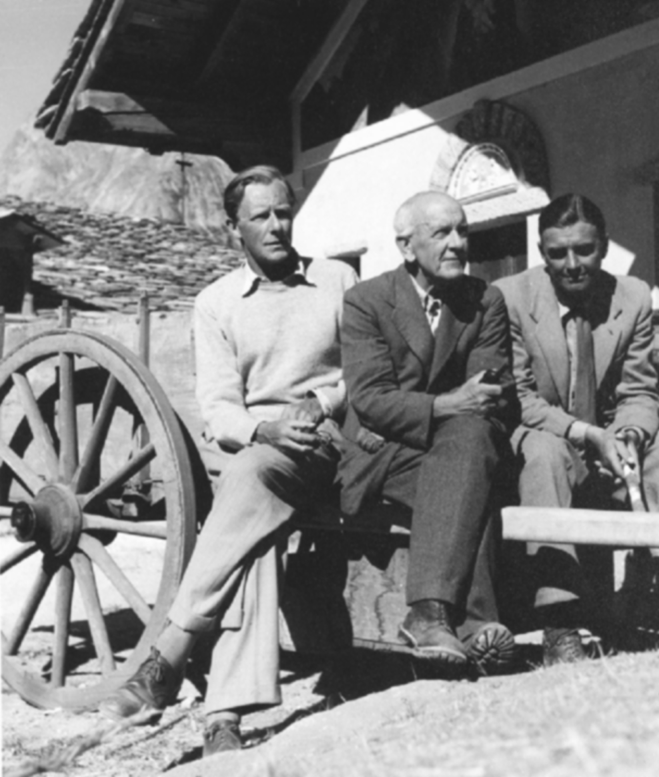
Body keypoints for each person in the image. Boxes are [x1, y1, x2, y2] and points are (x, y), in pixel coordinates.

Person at [99, 165, 357, 755]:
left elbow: (363, 374)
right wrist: (265, 427)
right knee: (254, 527)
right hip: (256, 447)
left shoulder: (336, 279)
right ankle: (224, 718)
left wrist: (315, 406)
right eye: (261, 216)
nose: (276, 226)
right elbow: (218, 408)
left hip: (328, 444)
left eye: (284, 212)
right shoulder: (216, 303)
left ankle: (169, 653)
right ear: (232, 230)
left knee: (247, 488)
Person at [339, 190, 518, 674]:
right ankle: (469, 619)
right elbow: (371, 400)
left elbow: (490, 395)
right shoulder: (367, 301)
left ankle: (434, 617)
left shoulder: (484, 300)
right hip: (378, 456)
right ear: (406, 246)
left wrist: (446, 413)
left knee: (471, 444)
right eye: (442, 233)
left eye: (463, 231)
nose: (459, 243)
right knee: (467, 465)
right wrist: (446, 405)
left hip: (445, 445)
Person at [495, 193, 659, 665]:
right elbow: (520, 399)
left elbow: (639, 391)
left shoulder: (631, 297)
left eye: (584, 250)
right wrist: (587, 434)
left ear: (605, 246)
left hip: (608, 439)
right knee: (545, 454)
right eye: (557, 254)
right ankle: (560, 622)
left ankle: (651, 597)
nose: (571, 265)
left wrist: (629, 435)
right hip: (545, 435)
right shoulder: (511, 298)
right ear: (541, 252)